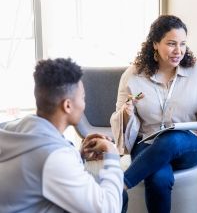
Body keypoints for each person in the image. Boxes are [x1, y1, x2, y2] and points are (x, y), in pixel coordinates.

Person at [110, 14, 197, 213]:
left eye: (183, 44)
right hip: (147, 143)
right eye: (171, 44)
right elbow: (122, 120)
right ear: (155, 43)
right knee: (158, 178)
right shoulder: (133, 76)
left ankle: (120, 185)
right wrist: (127, 112)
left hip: (189, 145)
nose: (178, 51)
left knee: (171, 139)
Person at [0, 58, 124, 213]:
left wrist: (77, 155)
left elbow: (40, 167)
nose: (84, 104)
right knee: (118, 196)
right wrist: (111, 154)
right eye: (83, 98)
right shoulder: (55, 156)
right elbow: (109, 209)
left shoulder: (16, 128)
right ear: (67, 105)